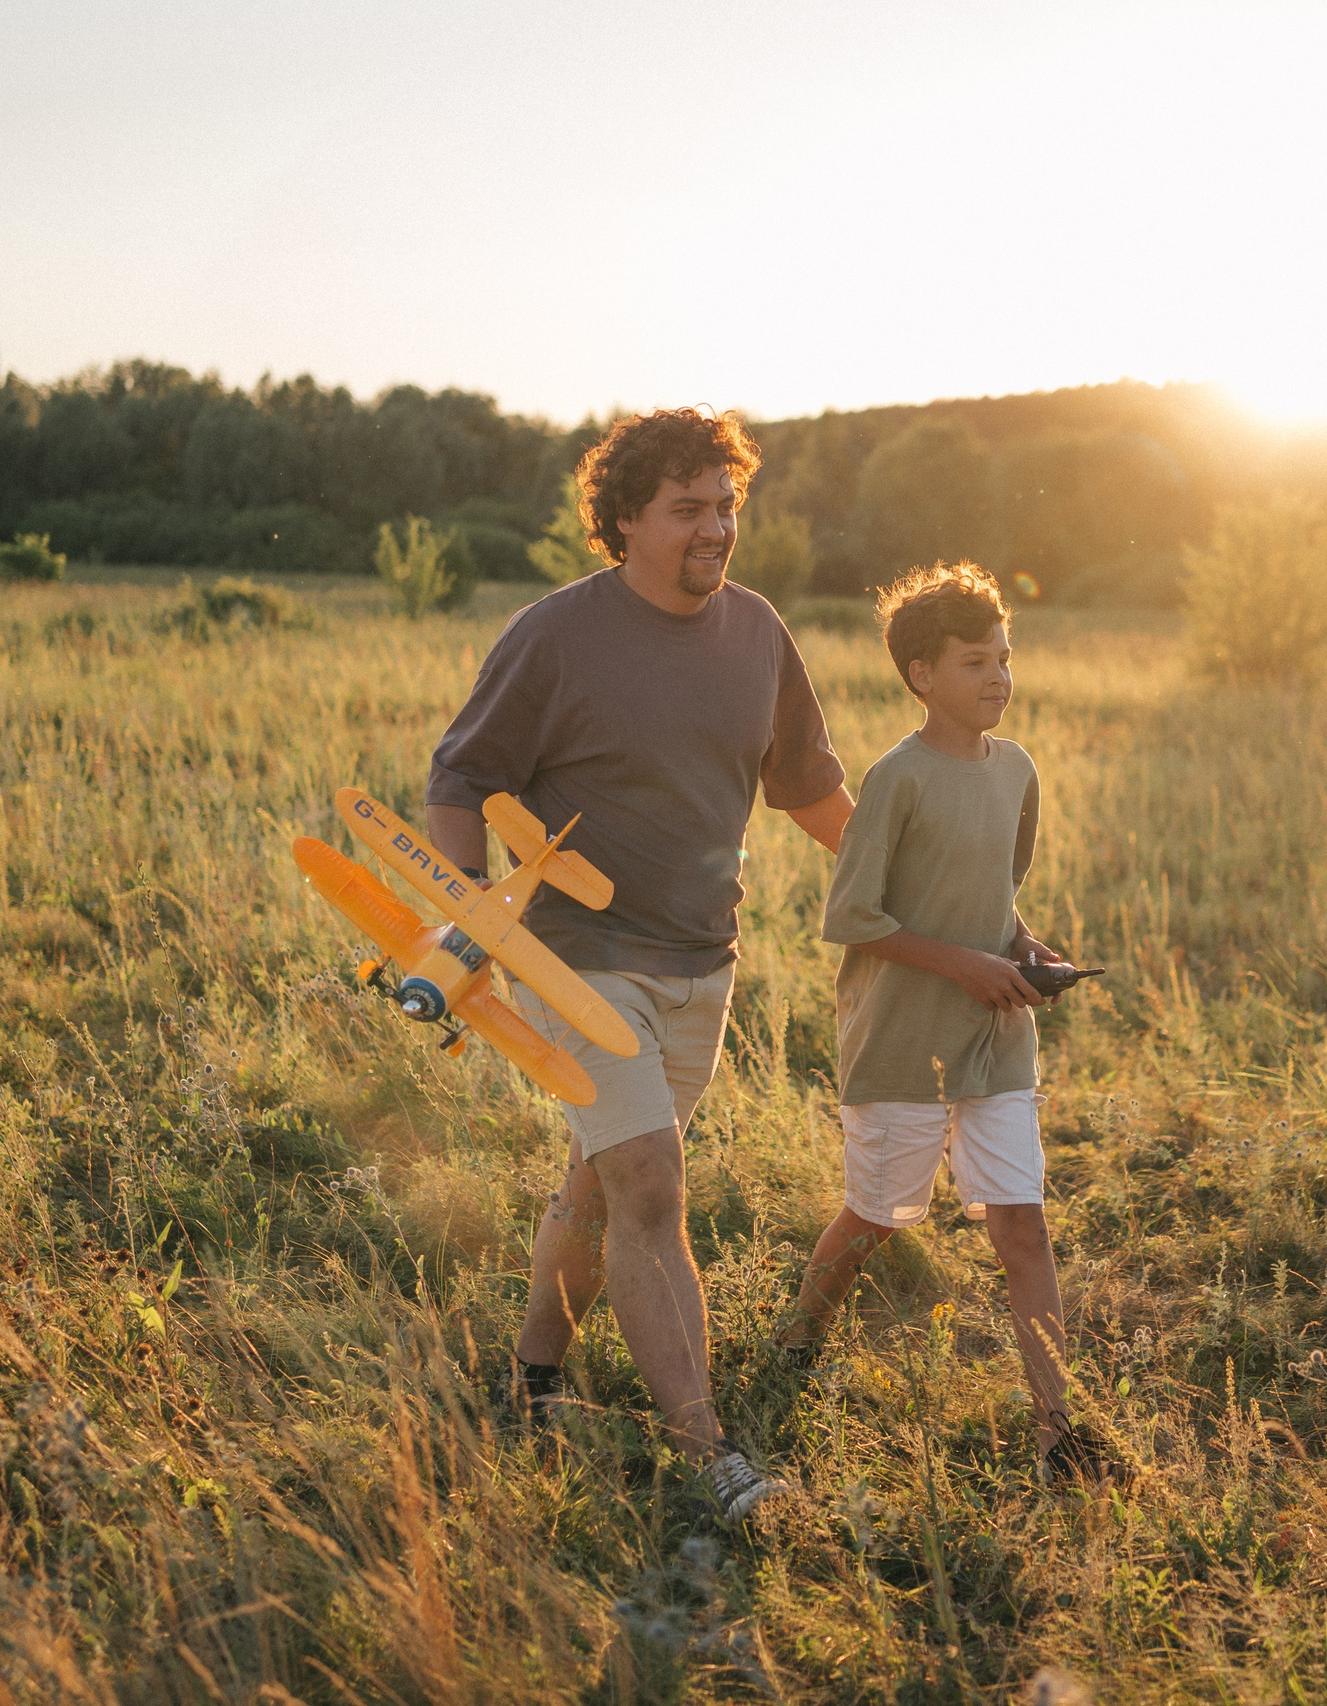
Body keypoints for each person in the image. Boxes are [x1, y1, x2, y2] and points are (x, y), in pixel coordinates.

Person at [426, 408, 851, 1521]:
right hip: (575, 955)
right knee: (651, 1183)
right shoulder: (557, 635)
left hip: (699, 958)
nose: (716, 529)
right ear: (622, 521)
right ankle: (710, 1457)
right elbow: (461, 777)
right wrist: (469, 912)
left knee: (602, 1177)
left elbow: (806, 789)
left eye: (726, 506)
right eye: (688, 510)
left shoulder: (759, 633)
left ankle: (532, 1376)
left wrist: (914, 888)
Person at [775, 562, 1126, 1485]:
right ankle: (795, 1346)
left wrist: (1022, 948)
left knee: (1023, 1226)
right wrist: (965, 965)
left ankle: (1061, 1432)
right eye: (976, 662)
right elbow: (852, 917)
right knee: (876, 1217)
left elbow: (997, 895)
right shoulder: (898, 779)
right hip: (902, 1042)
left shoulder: (1017, 771)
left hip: (996, 1039)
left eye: (1006, 659)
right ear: (922, 674)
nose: (999, 678)